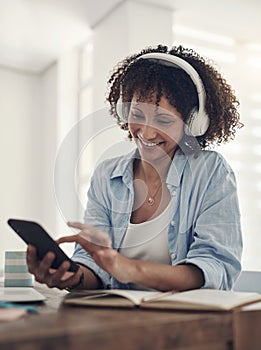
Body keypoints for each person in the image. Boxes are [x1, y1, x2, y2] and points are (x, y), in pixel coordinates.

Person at [27, 44, 243, 292]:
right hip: (120, 318)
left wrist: (129, 268)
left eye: (163, 120)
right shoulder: (107, 175)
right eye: (138, 114)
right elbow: (94, 269)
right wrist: (71, 276)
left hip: (187, 321)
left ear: (192, 124)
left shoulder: (210, 171)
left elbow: (216, 267)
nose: (147, 132)